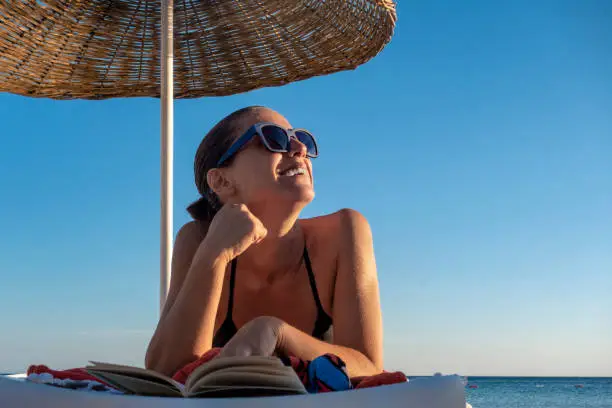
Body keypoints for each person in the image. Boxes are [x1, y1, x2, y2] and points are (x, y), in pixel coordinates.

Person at [145, 106, 383, 378]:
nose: (299, 149)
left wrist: (275, 333)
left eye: (302, 139)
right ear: (221, 180)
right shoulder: (198, 240)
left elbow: (368, 367)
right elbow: (164, 370)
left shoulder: (344, 232)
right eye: (274, 138)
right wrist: (213, 255)